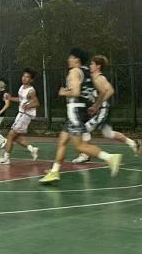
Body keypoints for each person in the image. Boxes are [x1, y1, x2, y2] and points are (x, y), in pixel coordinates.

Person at [39, 48, 122, 184]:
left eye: (71, 57)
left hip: (74, 112)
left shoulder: (74, 72)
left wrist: (63, 92)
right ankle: (54, 172)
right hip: (80, 111)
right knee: (62, 140)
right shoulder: (87, 72)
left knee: (79, 146)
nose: (69, 59)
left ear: (77, 59)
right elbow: (104, 91)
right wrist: (96, 105)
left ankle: (110, 158)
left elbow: (76, 92)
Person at [73, 55, 140, 164]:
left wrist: (97, 105)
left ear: (98, 66)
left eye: (92, 64)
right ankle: (132, 143)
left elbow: (109, 91)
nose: (90, 66)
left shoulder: (99, 78)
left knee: (84, 129)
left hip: (102, 110)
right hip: (102, 109)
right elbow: (106, 91)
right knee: (108, 133)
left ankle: (85, 155)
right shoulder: (94, 77)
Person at [0, 69, 41, 164]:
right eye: (23, 76)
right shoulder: (21, 87)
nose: (24, 78)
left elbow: (37, 103)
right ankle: (32, 149)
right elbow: (21, 99)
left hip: (25, 115)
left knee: (10, 135)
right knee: (15, 137)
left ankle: (6, 158)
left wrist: (28, 106)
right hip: (20, 114)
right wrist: (10, 98)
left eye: (27, 77)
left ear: (31, 80)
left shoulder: (31, 91)